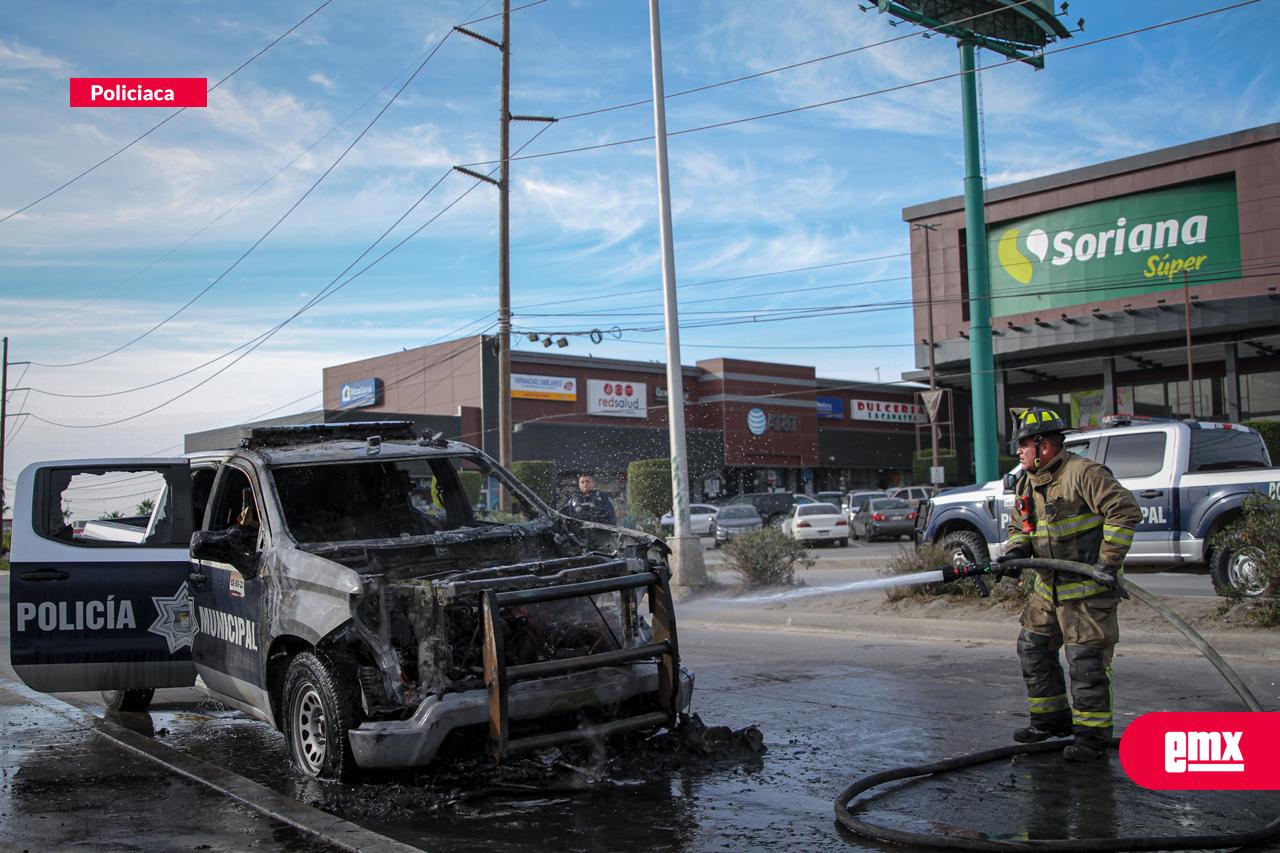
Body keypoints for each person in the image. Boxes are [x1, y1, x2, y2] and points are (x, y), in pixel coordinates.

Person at [997, 406, 1141, 762]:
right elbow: (1021, 527)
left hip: (1087, 594)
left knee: (1086, 664)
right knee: (1033, 648)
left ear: (1043, 445)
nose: (1019, 451)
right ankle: (1050, 721)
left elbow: (1124, 511)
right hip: (1047, 590)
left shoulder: (1085, 474)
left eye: (1023, 444)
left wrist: (1108, 562)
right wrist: (1016, 551)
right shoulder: (1026, 481)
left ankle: (1092, 741)